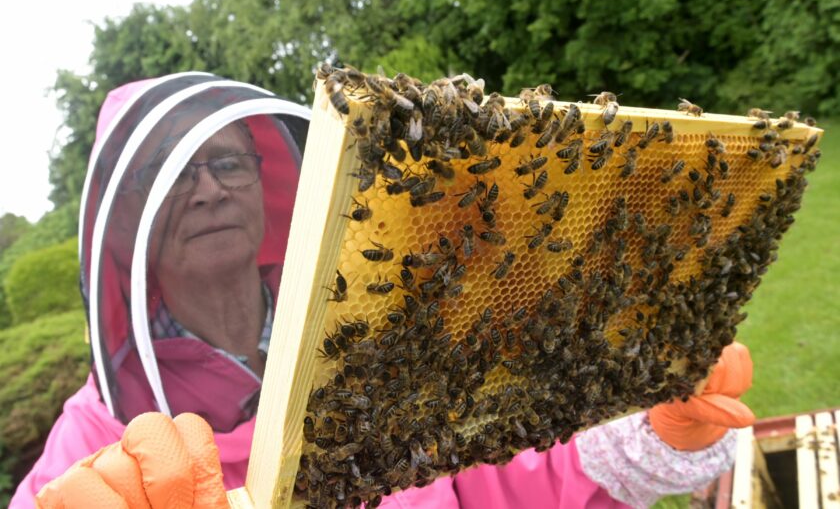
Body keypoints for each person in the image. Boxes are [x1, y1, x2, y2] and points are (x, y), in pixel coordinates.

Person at [13, 73, 755, 508]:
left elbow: (487, 478)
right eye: (167, 174)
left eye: (229, 164)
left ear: (268, 188)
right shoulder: (86, 451)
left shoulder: (374, 339)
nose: (206, 190)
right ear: (120, 227)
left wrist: (641, 430)